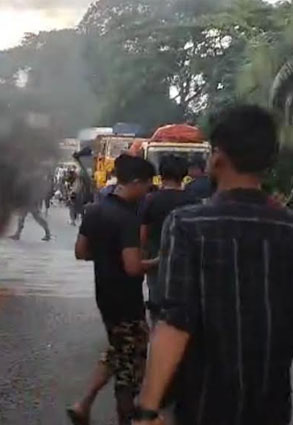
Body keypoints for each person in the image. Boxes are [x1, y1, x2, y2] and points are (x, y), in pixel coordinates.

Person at [133, 106, 293, 425]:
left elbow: (176, 323)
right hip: (272, 408)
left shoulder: (188, 225)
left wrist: (147, 408)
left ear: (217, 156)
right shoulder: (287, 229)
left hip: (205, 405)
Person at [69, 154, 157, 425]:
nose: (148, 191)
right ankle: (126, 420)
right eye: (147, 185)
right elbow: (132, 267)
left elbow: (81, 252)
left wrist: (107, 255)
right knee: (130, 368)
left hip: (104, 296)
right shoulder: (128, 218)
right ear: (135, 182)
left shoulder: (95, 210)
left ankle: (83, 404)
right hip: (127, 302)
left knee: (117, 351)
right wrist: (161, 261)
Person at [138, 155, 196, 324]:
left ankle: (159, 338)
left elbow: (143, 232)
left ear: (161, 174)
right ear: (184, 174)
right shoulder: (193, 201)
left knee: (157, 304)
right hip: (186, 261)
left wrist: (142, 258)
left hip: (156, 261)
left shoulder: (150, 200)